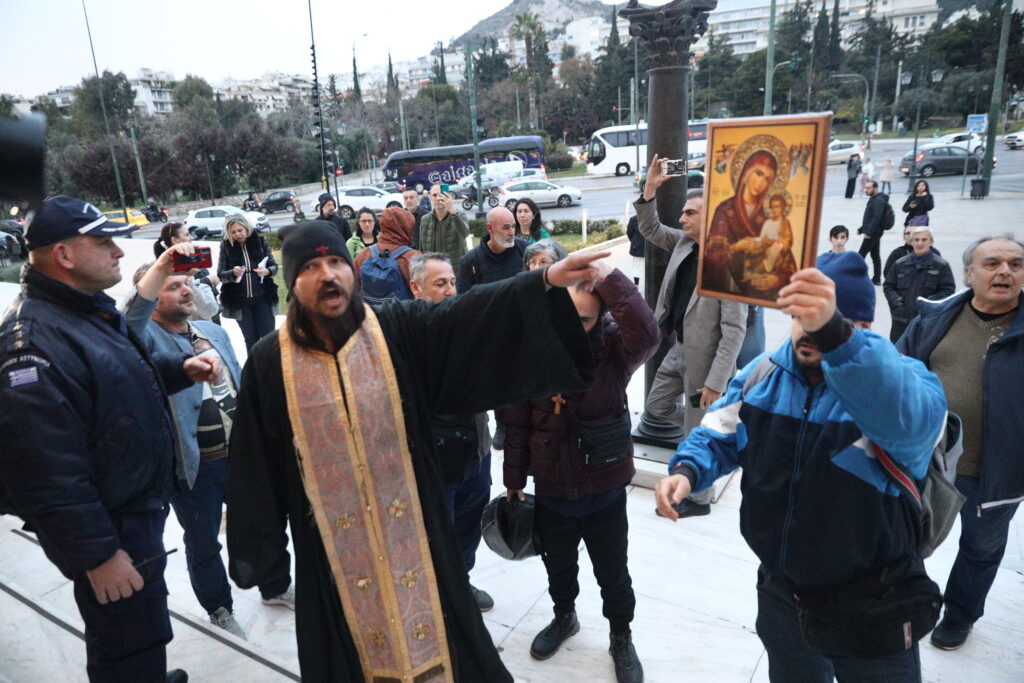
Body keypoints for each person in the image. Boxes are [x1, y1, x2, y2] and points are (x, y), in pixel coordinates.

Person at [225, 220, 607, 681]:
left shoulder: (393, 328)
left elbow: (464, 317)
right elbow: (254, 462)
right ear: (292, 281)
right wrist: (262, 550)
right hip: (330, 551)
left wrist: (542, 281)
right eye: (310, 266)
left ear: (352, 271)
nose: (327, 275)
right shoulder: (270, 361)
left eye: (335, 262)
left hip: (416, 536)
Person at [656, 251, 948, 682]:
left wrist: (837, 338)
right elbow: (720, 428)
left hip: (875, 599)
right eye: (802, 318)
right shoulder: (762, 374)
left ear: (863, 328)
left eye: (830, 321)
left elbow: (906, 420)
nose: (810, 330)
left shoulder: (907, 382)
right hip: (782, 592)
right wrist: (687, 470)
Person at [0, 196, 221, 682]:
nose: (118, 253)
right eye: (103, 242)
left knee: (145, 628)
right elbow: (45, 469)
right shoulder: (33, 342)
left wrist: (178, 369)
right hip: (110, 528)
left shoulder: (83, 313)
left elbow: (116, 383)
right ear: (64, 254)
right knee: (125, 643)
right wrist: (98, 555)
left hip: (134, 512)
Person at [504, 260, 658, 683]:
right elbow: (516, 419)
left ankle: (621, 636)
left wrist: (610, 279)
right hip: (552, 483)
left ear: (602, 316)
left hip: (602, 485)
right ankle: (564, 616)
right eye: (568, 317)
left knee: (612, 570)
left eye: (585, 319)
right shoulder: (534, 349)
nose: (575, 327)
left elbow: (648, 334)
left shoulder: (614, 350)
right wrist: (514, 479)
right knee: (558, 564)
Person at [897, 234, 1024, 652]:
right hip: (926, 463)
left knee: (981, 549)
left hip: (996, 473)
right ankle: (900, 610)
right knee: (904, 541)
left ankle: (959, 616)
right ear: (969, 273)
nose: (1005, 271)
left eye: (1016, 264)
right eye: (992, 263)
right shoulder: (934, 318)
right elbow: (898, 373)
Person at [122, 248, 257, 639]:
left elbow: (239, 384)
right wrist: (160, 267)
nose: (185, 291)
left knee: (260, 524)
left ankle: (275, 582)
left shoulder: (212, 331)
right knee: (204, 542)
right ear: (152, 296)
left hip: (241, 454)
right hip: (196, 466)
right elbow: (128, 321)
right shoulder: (145, 340)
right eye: (172, 286)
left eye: (187, 284)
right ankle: (219, 607)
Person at [637, 159, 748, 517]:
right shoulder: (684, 243)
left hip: (708, 363)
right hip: (678, 348)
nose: (682, 219)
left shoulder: (729, 262)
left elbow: (735, 331)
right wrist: (650, 190)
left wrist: (717, 382)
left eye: (689, 213)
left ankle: (698, 500)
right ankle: (693, 431)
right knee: (657, 407)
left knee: (700, 431)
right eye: (683, 214)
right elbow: (651, 229)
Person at [408, 252, 495, 611]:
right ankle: (433, 597)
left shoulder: (468, 323)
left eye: (452, 282)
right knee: (434, 533)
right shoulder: (407, 334)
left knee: (468, 525)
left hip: (477, 450)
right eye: (439, 283)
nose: (450, 290)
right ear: (417, 288)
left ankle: (460, 583)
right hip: (436, 459)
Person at [703, 150, 797, 300]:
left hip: (757, 295)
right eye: (758, 173)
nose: (761, 183)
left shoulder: (769, 216)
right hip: (728, 291)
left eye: (767, 179)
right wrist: (735, 247)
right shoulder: (725, 211)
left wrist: (777, 279)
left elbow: (786, 259)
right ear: (746, 173)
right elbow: (710, 258)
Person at [883, 227, 956, 342]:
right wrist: (897, 302)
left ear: (931, 242)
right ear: (911, 242)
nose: (920, 243)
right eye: (916, 240)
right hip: (901, 320)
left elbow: (948, 290)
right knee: (899, 354)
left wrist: (929, 303)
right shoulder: (899, 264)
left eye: (924, 240)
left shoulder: (941, 265)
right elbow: (888, 286)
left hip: (928, 321)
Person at [217, 214, 279, 350]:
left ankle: (272, 368)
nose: (237, 234)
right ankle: (255, 370)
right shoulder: (226, 247)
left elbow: (274, 267)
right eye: (233, 232)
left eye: (240, 230)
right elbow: (220, 274)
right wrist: (232, 273)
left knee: (269, 338)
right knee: (251, 340)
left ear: (247, 228)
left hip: (262, 297)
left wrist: (267, 271)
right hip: (241, 301)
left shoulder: (261, 242)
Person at [152, 221, 221, 322]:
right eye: (187, 234)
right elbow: (207, 309)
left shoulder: (193, 262)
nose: (191, 238)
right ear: (174, 240)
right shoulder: (163, 272)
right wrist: (207, 282)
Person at [458, 206, 531, 294]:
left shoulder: (526, 250)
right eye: (506, 227)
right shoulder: (470, 261)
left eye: (513, 226)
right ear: (490, 228)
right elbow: (463, 300)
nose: (512, 232)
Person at [352, 206, 420, 300]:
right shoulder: (413, 257)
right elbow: (422, 294)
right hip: (404, 312)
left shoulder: (363, 255)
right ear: (406, 228)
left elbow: (354, 289)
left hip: (372, 312)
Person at [418, 183, 470, 267]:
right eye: (434, 195)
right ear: (430, 197)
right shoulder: (425, 220)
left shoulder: (459, 215)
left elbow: (464, 234)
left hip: (456, 270)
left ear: (448, 196)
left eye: (441, 195)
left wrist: (452, 211)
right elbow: (422, 249)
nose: (438, 198)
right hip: (434, 271)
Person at [856, 180, 890, 285]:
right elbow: (870, 218)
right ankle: (877, 279)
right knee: (875, 255)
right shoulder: (875, 199)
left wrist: (868, 232)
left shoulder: (878, 200)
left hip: (873, 232)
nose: (866, 190)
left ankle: (855, 277)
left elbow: (876, 218)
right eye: (865, 188)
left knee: (860, 255)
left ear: (875, 189)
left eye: (868, 188)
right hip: (874, 231)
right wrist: (861, 229)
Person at [625, 209, 646, 287]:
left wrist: (634, 241)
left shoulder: (633, 219)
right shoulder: (652, 218)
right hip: (650, 248)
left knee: (637, 267)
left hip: (637, 247)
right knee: (649, 268)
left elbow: (629, 233)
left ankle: (636, 285)